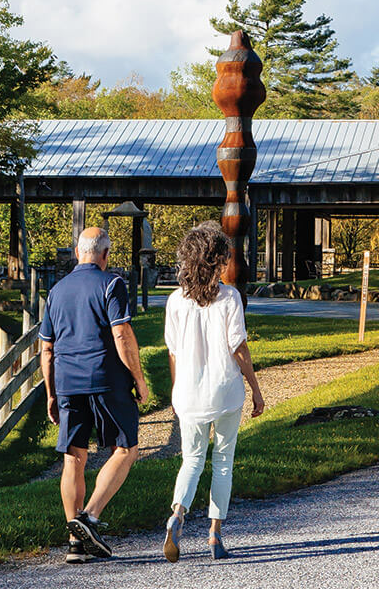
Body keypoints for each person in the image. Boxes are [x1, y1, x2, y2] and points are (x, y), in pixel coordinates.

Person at [38, 227, 150, 564]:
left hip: (68, 382)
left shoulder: (56, 291)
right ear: (104, 255)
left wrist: (51, 393)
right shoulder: (112, 284)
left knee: (73, 457)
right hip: (106, 379)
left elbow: (46, 349)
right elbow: (122, 333)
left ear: (77, 252)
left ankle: (76, 543)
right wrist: (139, 379)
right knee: (126, 448)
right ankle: (89, 517)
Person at [162, 222, 265, 562]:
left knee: (191, 460)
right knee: (223, 462)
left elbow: (173, 352)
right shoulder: (229, 297)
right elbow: (239, 348)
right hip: (225, 392)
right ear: (216, 261)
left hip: (188, 393)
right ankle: (214, 536)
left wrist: (177, 392)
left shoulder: (175, 301)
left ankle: (177, 514)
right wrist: (256, 388)